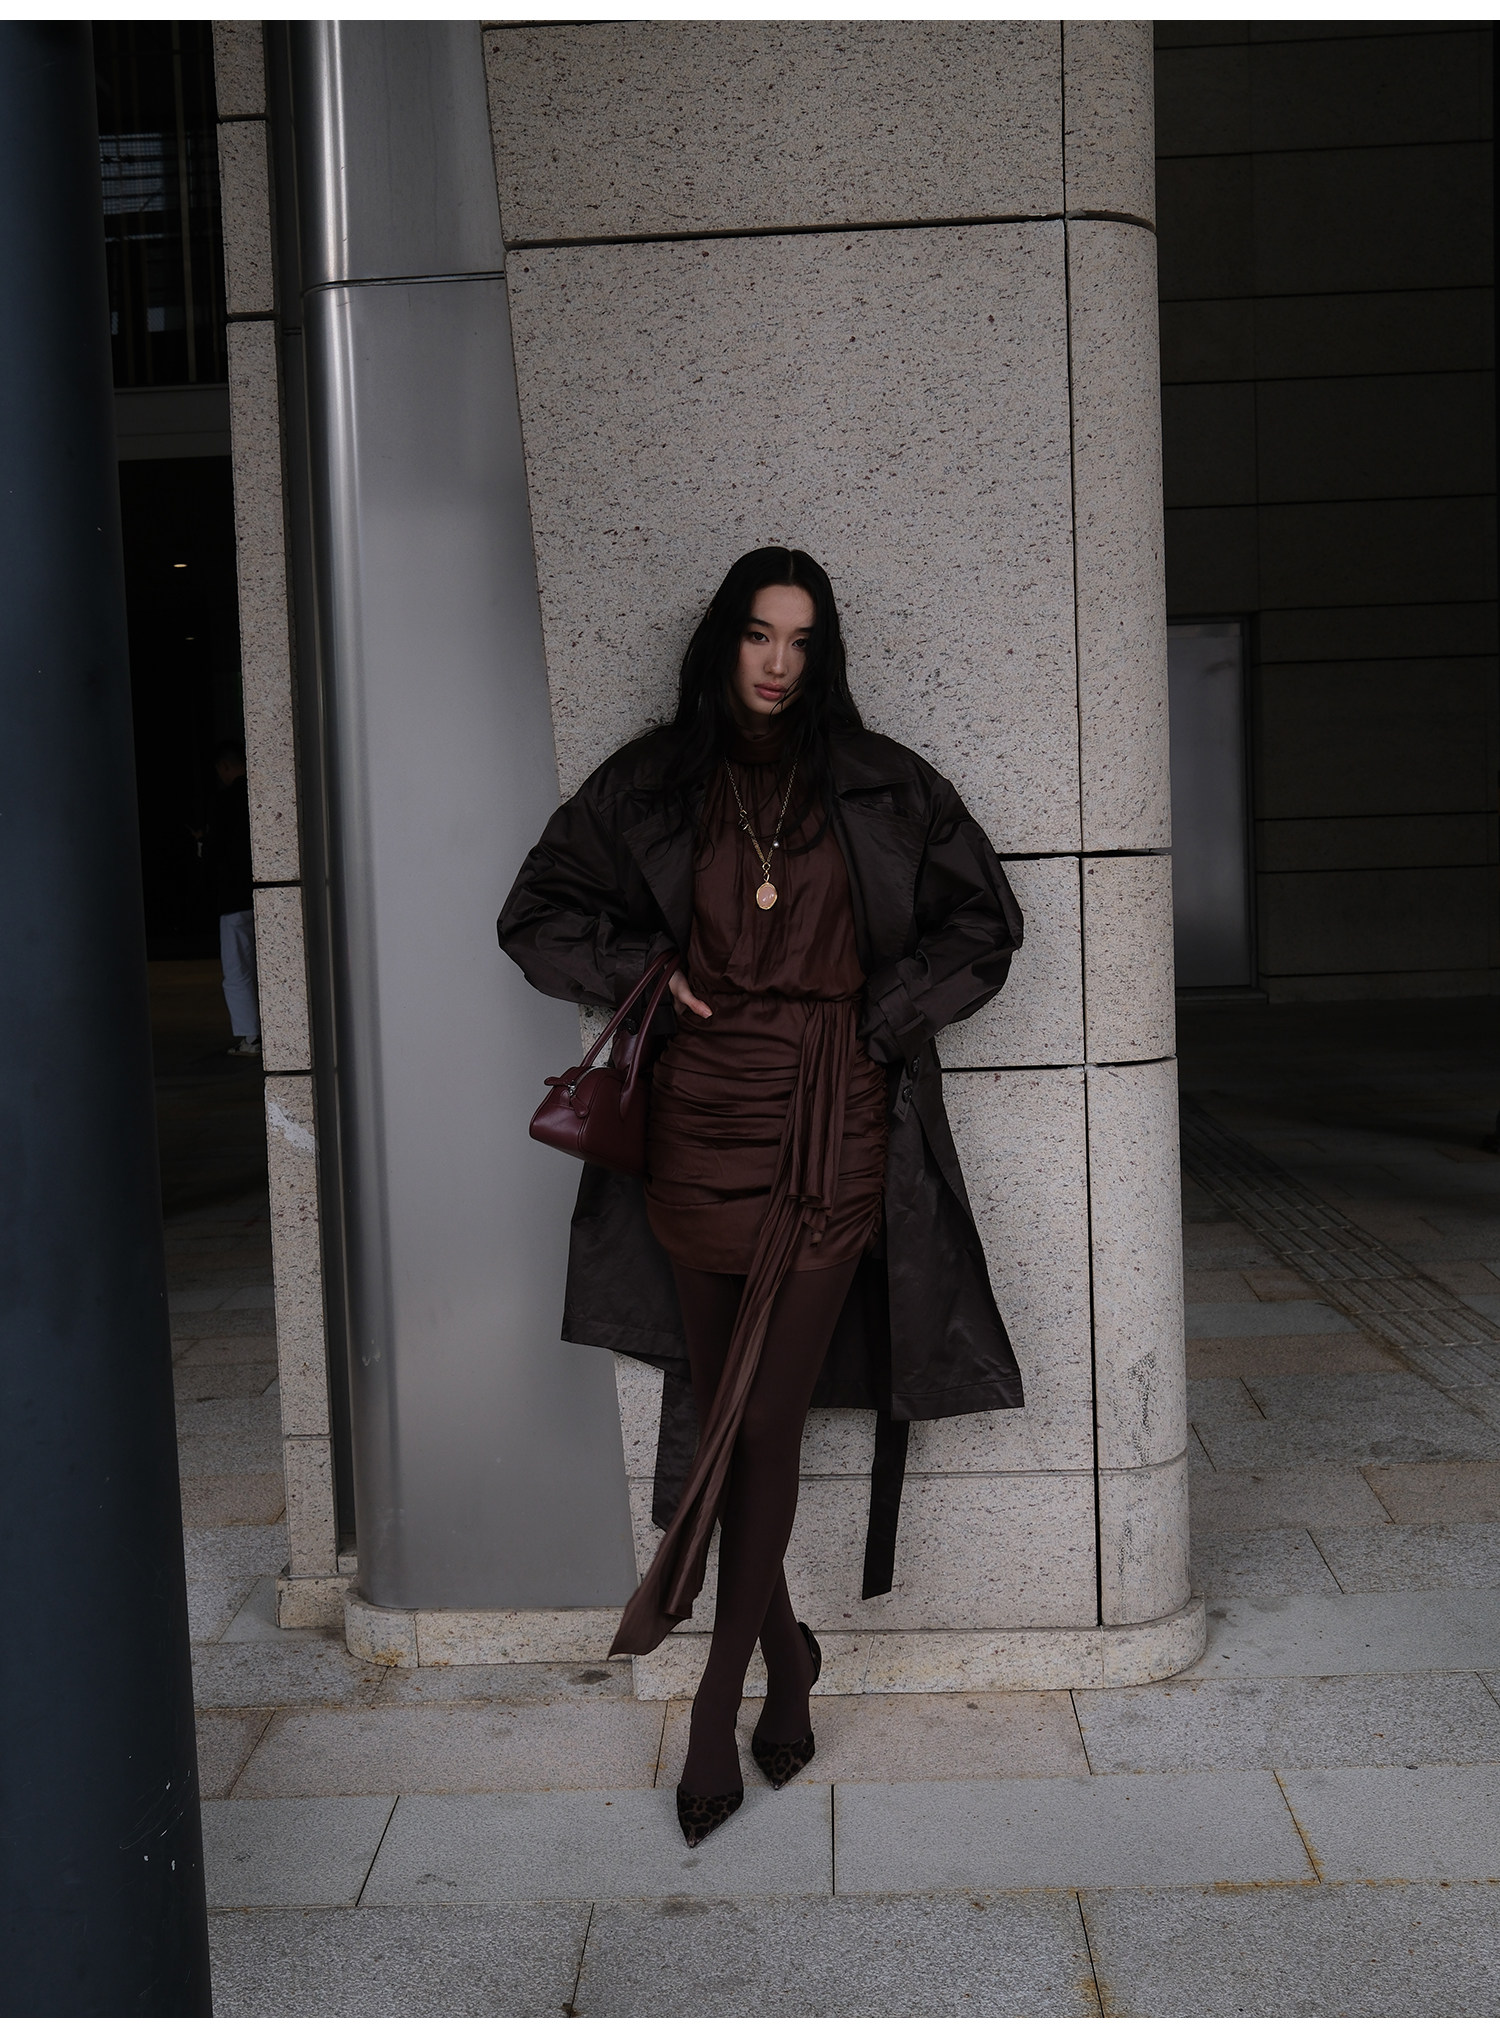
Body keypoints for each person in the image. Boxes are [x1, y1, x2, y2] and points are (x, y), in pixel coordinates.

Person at [499, 547, 1025, 1847]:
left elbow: (985, 924)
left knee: (767, 1415)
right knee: (726, 1401)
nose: (779, 661)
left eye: (801, 638)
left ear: (823, 650)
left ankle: (718, 1698)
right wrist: (641, 965)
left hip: (834, 1112)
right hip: (699, 1114)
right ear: (722, 641)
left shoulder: (885, 782)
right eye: (757, 633)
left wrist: (882, 1020)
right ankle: (788, 1651)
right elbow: (534, 913)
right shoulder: (650, 782)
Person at [203, 739, 260, 1056]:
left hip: (233, 897)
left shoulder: (223, 801)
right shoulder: (260, 793)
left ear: (224, 767)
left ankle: (252, 1036)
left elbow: (215, 851)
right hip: (265, 892)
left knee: (238, 971)